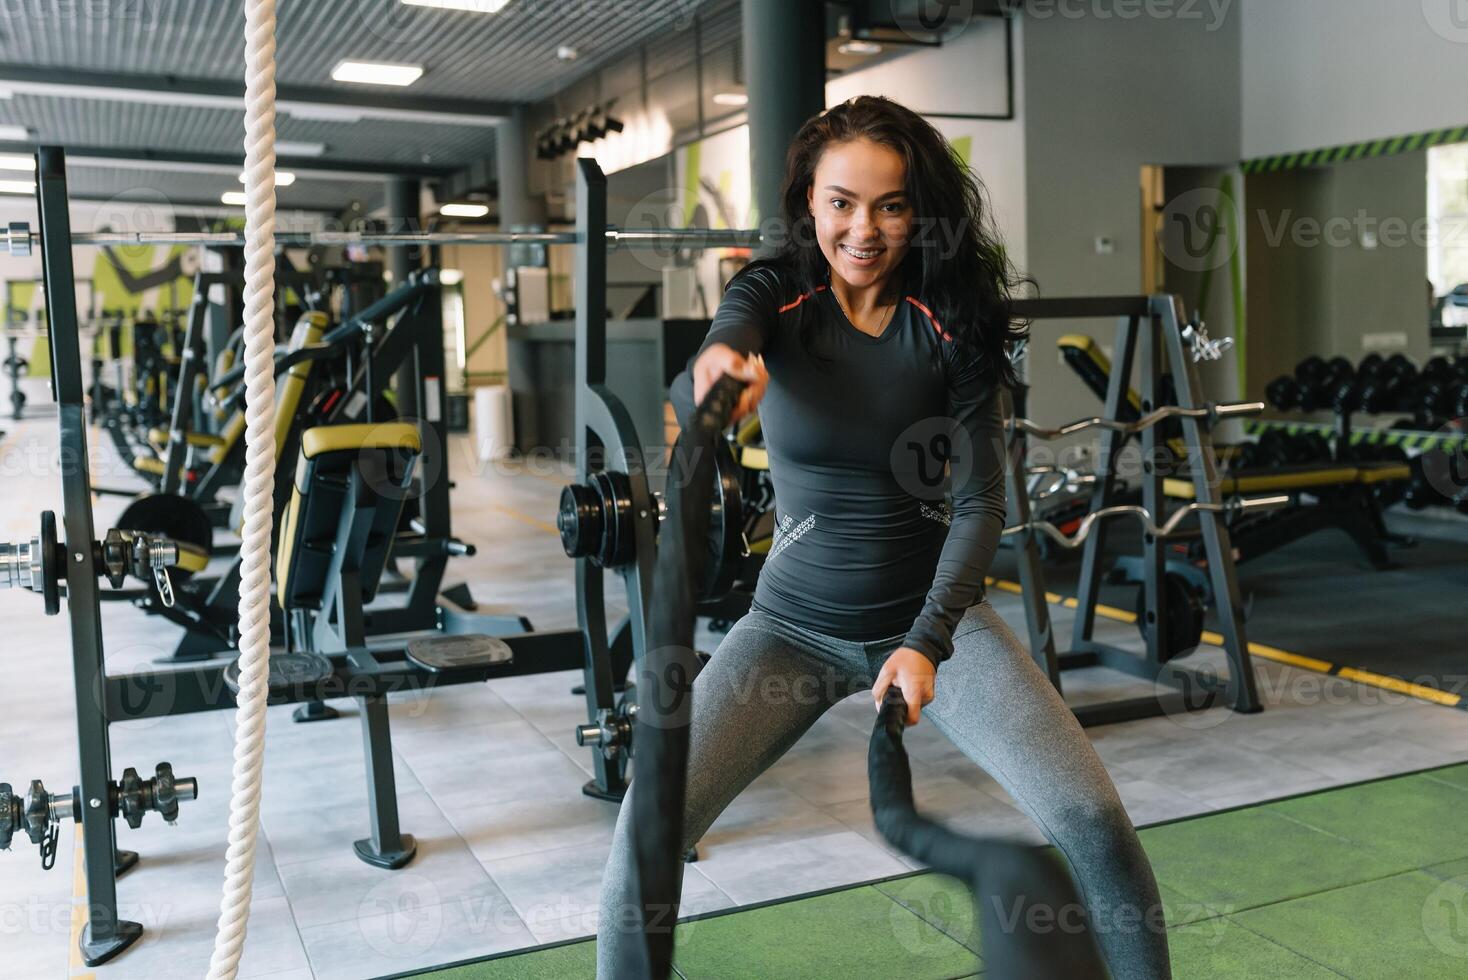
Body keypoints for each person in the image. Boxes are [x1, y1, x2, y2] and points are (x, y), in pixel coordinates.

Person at [596, 95, 1170, 980]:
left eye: (890, 205)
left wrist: (928, 641)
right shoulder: (775, 289)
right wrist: (715, 375)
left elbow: (981, 505)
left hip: (936, 627)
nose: (863, 229)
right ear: (809, 204)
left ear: (921, 210)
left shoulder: (956, 319)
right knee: (643, 844)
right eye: (840, 203)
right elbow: (718, 352)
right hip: (788, 626)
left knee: (1095, 825)